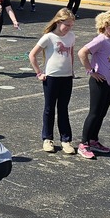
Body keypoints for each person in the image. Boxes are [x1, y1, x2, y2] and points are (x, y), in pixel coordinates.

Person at [77, 10, 110, 158]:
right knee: (94, 113)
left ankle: (93, 140)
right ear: (106, 26)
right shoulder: (101, 39)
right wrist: (90, 71)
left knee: (102, 113)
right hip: (99, 81)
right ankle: (83, 144)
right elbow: (82, 52)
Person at [28, 8, 78, 155]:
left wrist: (72, 69)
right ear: (58, 22)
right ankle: (48, 138)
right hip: (51, 78)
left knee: (63, 108)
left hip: (67, 77)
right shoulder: (49, 37)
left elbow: (70, 54)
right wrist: (39, 73)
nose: (69, 28)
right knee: (49, 108)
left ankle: (66, 140)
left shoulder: (71, 36)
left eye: (71, 26)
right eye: (66, 25)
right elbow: (32, 55)